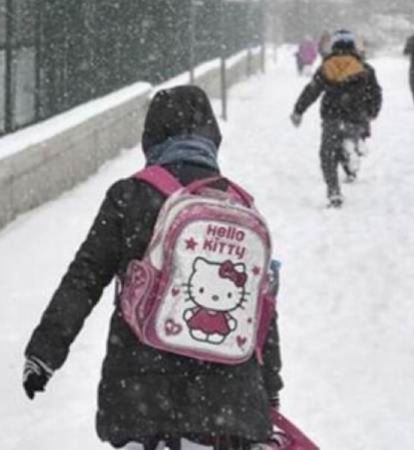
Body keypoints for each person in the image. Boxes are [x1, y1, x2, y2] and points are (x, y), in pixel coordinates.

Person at [21, 86, 283, 450]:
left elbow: (85, 277)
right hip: (228, 403)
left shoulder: (129, 196)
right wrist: (268, 390)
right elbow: (261, 308)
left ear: (151, 136)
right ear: (212, 137)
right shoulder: (240, 207)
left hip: (141, 393)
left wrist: (44, 352)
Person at [290, 30, 383, 208]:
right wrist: (372, 112)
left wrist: (298, 111)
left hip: (332, 116)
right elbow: (375, 94)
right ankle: (353, 150)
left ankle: (334, 191)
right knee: (350, 139)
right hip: (356, 117)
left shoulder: (326, 67)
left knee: (328, 154)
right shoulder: (365, 69)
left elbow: (312, 91)